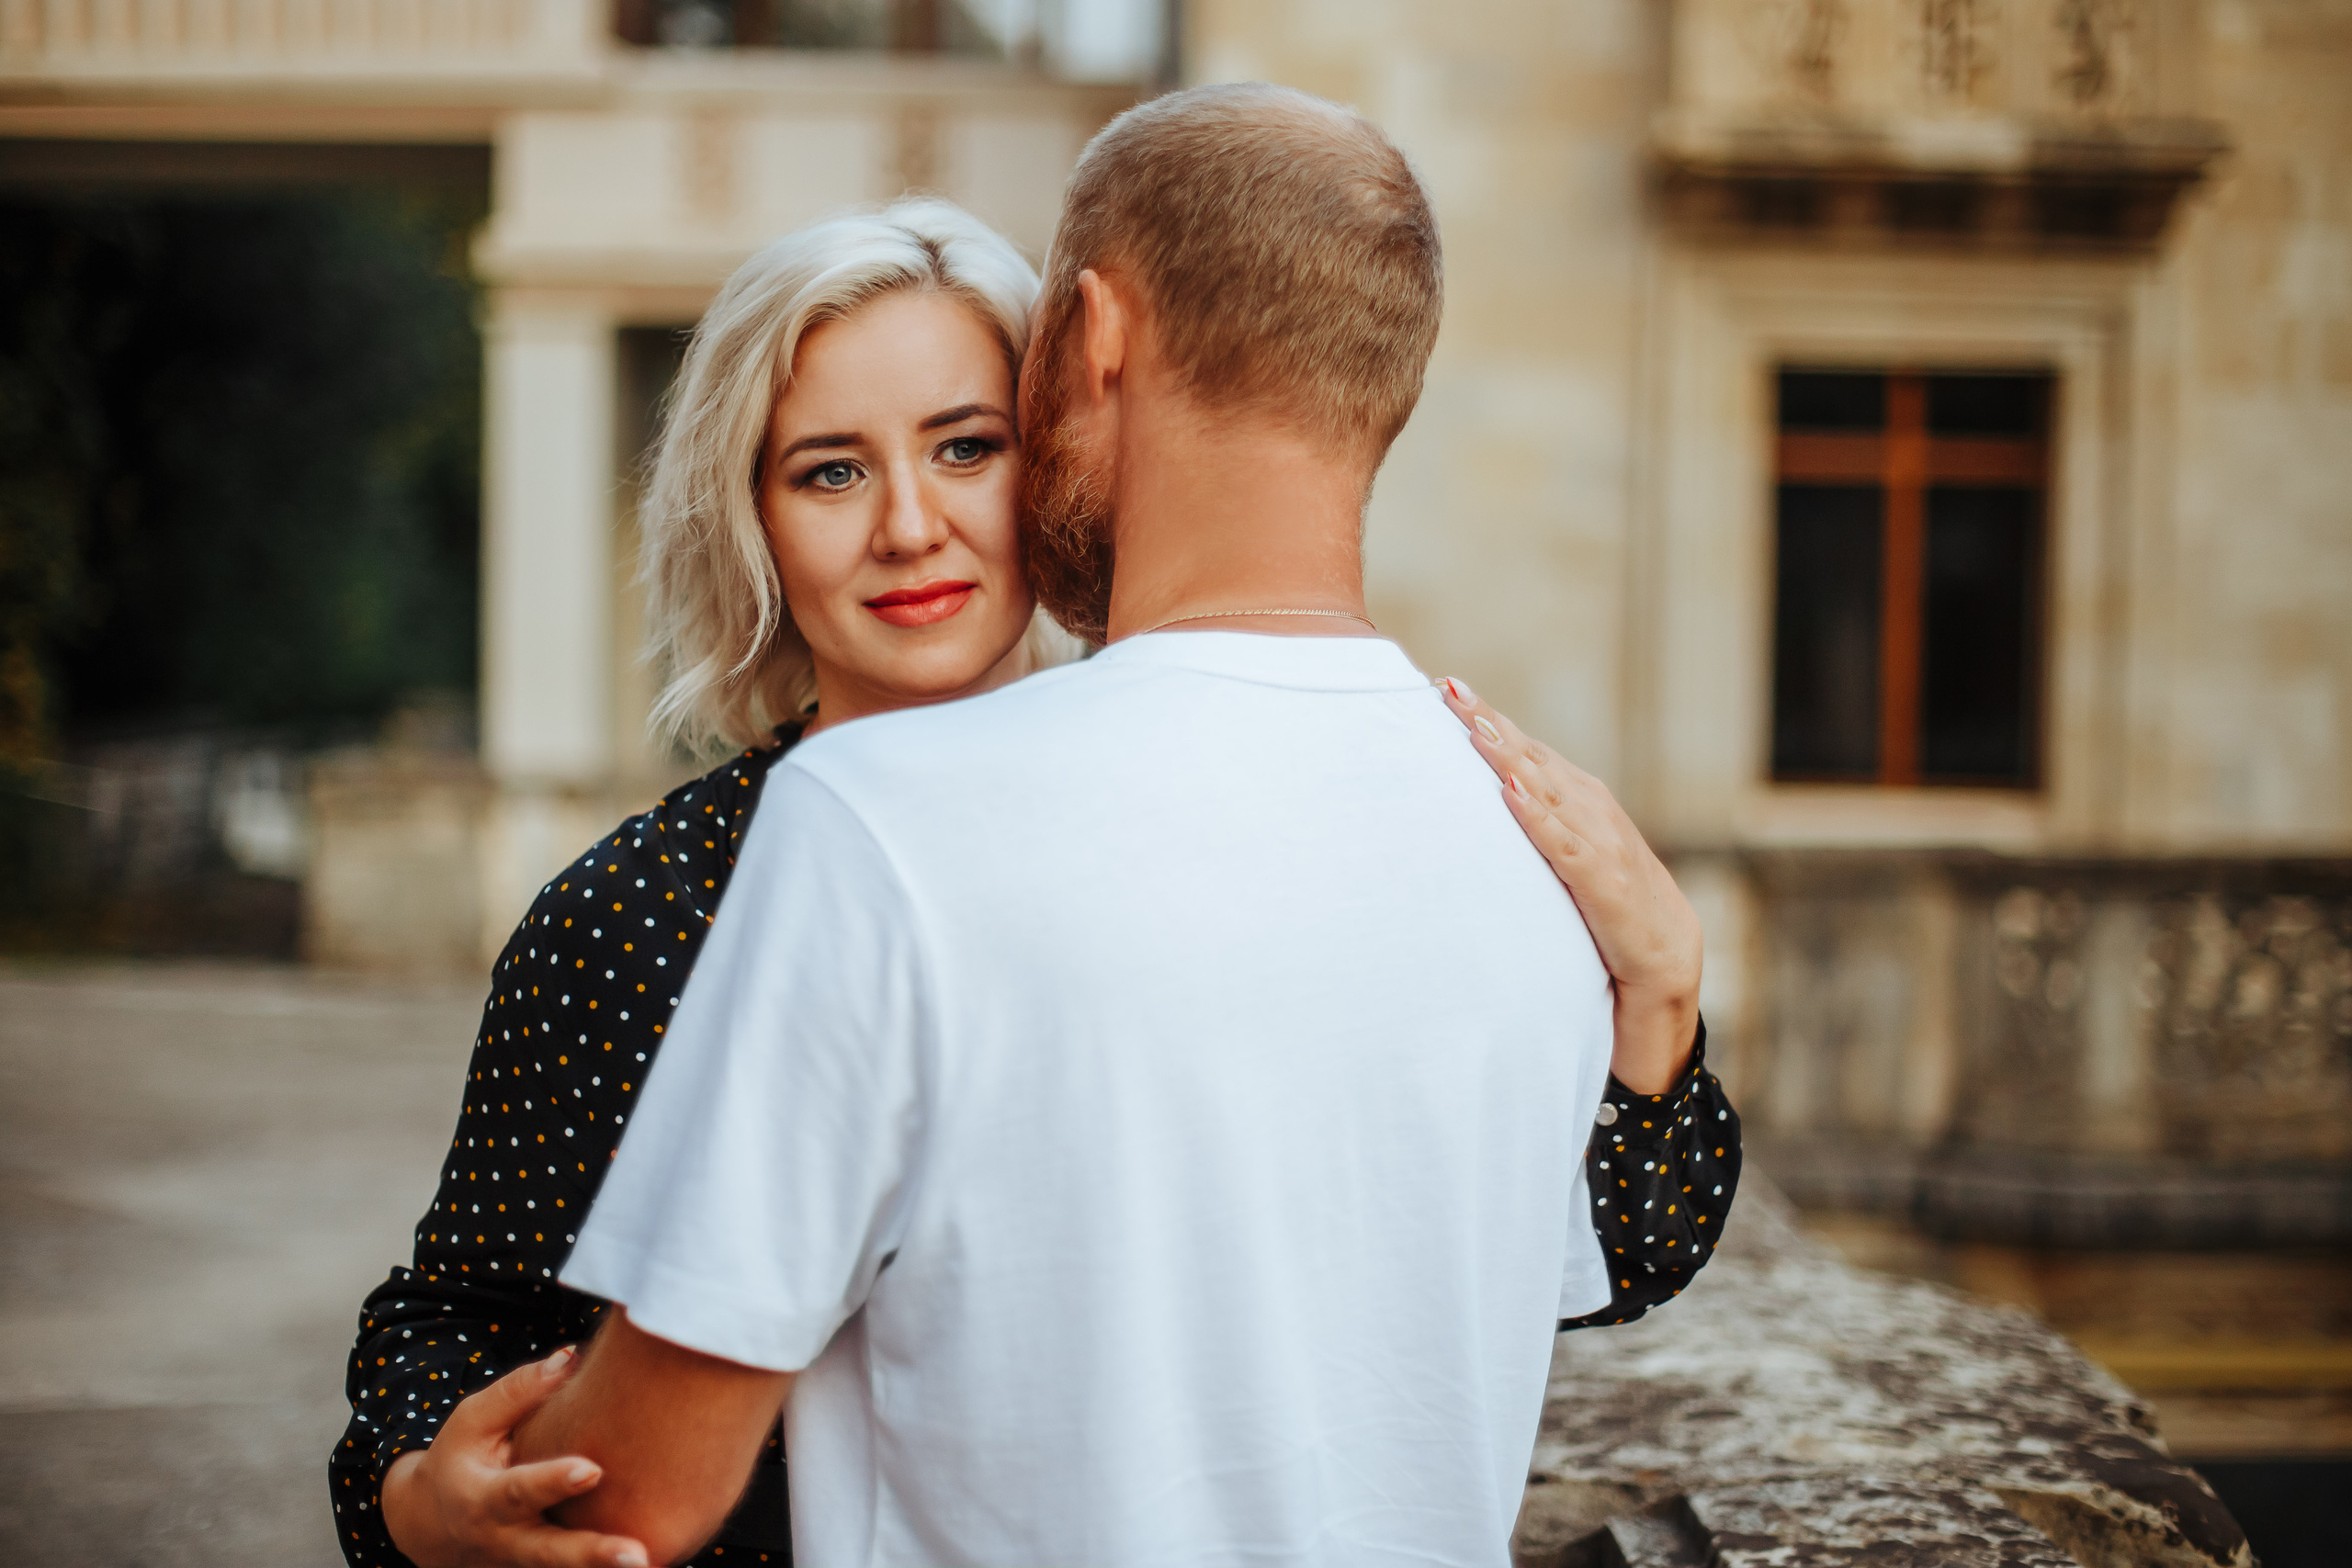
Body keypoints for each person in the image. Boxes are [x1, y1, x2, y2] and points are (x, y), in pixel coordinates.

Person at [331, 186, 1736, 1568]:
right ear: (748, 518)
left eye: (966, 448)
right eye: (829, 469)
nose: (906, 526)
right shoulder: (635, 914)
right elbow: (457, 1319)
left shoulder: (1249, 807)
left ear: (1063, 442)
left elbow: (1561, 1255)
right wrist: (412, 1502)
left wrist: (1658, 996)